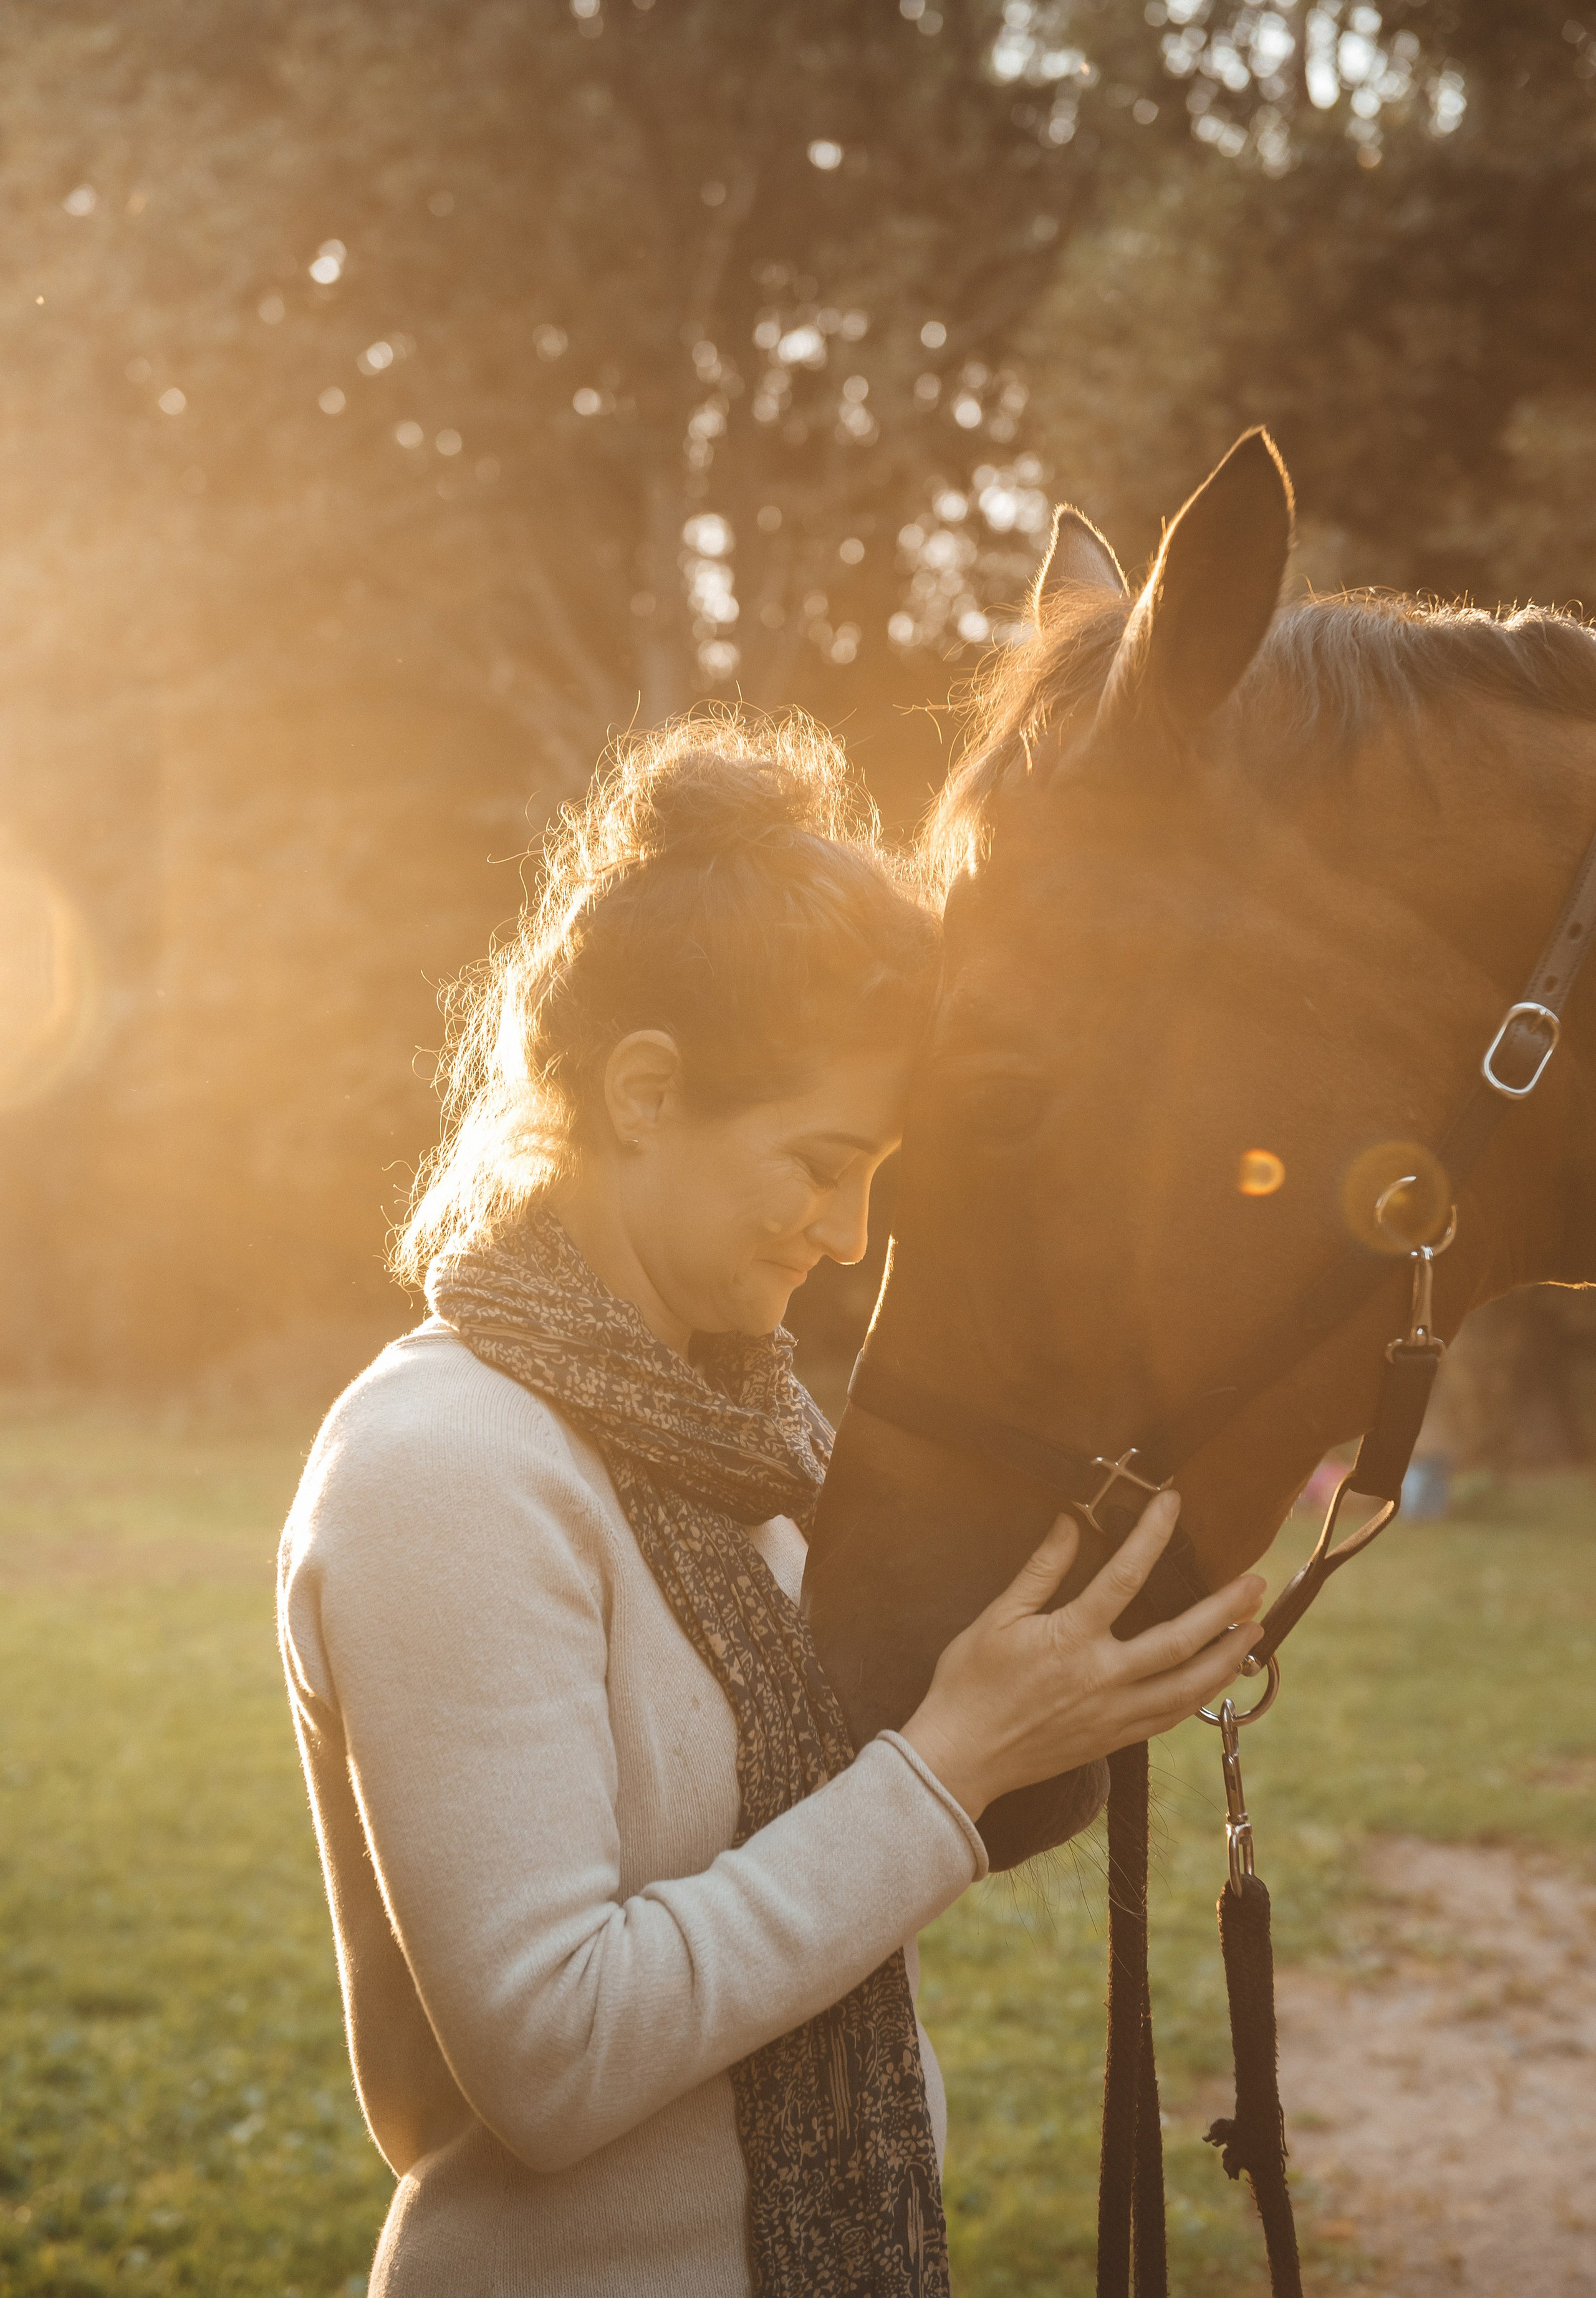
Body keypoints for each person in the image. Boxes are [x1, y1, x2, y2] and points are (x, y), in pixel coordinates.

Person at [277, 711, 1266, 2298]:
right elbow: (545, 2058)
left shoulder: (757, 1432)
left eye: (878, 1169)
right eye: (819, 1160)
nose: (853, 1231)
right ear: (646, 1091)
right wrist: (947, 1766)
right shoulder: (443, 1467)